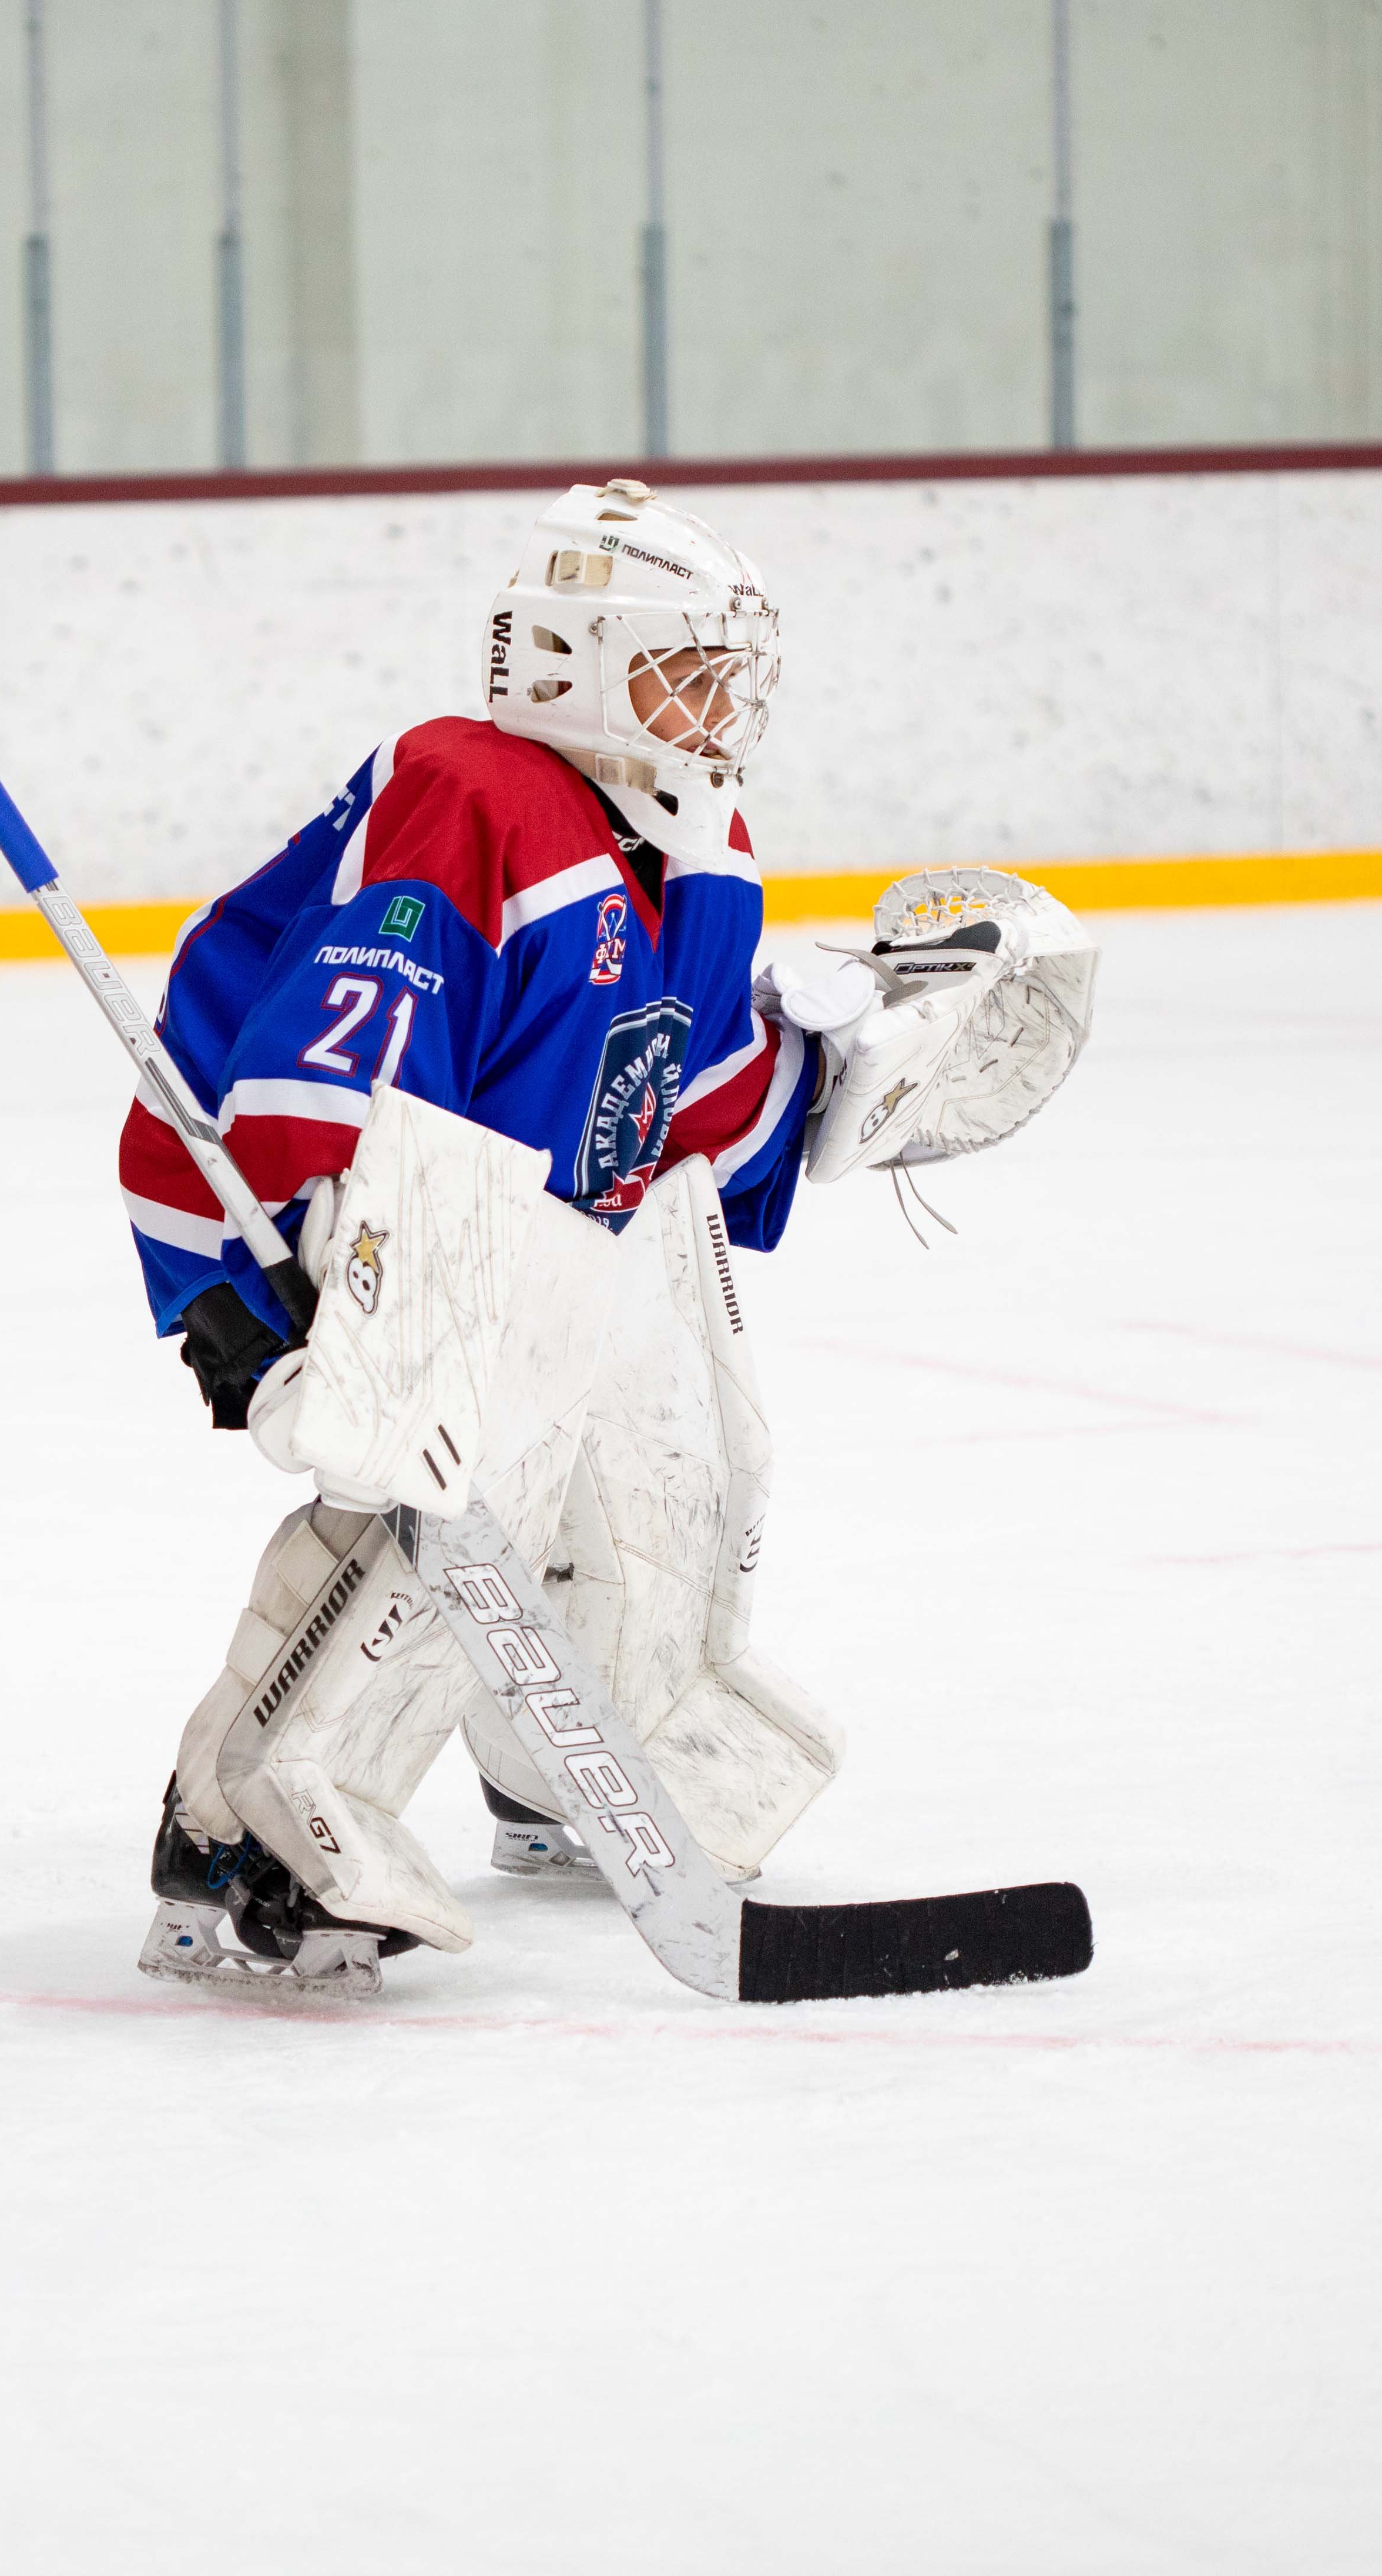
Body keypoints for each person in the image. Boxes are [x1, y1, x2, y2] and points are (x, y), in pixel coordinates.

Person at [120, 479, 1097, 1991]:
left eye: (732, 673)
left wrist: (851, 1071)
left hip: (563, 1215)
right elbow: (339, 1049)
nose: (721, 707)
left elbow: (686, 1093)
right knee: (448, 1484)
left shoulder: (703, 841)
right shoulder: (469, 790)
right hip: (354, 1213)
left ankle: (586, 1764)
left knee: (692, 1453)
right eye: (688, 667)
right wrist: (296, 1291)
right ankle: (246, 1837)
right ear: (571, 660)